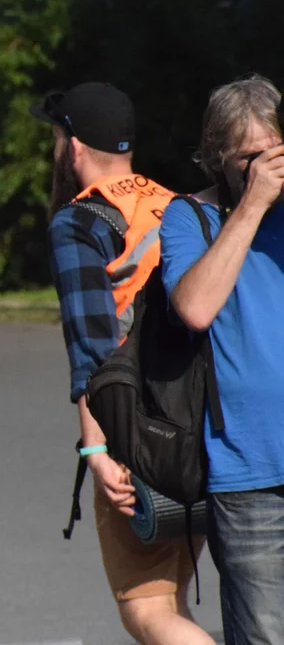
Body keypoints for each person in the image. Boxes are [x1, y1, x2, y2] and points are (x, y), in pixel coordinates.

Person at [33, 83, 213, 645]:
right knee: (174, 594)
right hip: (205, 426)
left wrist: (97, 451)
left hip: (141, 434)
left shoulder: (81, 222)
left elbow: (91, 347)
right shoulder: (178, 207)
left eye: (57, 138)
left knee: (147, 609)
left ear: (74, 147)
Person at [160, 75, 284, 644]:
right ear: (217, 159)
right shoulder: (192, 218)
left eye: (274, 154)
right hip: (249, 473)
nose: (264, 171)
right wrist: (253, 205)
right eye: (248, 159)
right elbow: (194, 307)